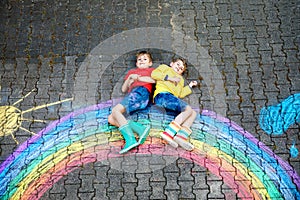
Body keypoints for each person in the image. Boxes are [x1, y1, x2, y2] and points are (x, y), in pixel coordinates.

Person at [108, 51, 155, 154]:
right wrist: (129, 79)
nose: (142, 61)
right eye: (139, 59)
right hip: (135, 96)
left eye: (145, 59)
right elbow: (124, 89)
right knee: (111, 118)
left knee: (116, 110)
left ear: (150, 63)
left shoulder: (151, 70)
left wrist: (138, 78)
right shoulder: (131, 72)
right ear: (136, 63)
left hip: (141, 92)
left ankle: (130, 140)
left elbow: (154, 80)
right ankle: (140, 129)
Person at [151, 57, 198, 151]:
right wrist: (169, 78)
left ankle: (180, 137)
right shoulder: (165, 68)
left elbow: (180, 94)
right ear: (171, 63)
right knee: (187, 109)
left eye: (181, 69)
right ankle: (168, 133)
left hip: (171, 99)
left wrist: (189, 86)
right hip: (162, 96)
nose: (179, 68)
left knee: (193, 113)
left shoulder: (181, 80)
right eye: (178, 65)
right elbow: (154, 74)